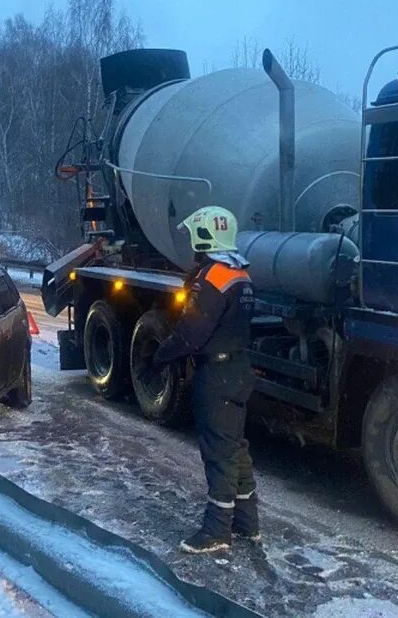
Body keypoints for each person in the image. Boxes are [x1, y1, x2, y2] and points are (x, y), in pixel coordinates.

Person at [147, 206, 258, 554]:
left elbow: (191, 333)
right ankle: (246, 522)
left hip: (217, 376)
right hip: (239, 370)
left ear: (204, 236)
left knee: (219, 452)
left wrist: (159, 357)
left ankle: (216, 531)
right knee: (236, 446)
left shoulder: (212, 278)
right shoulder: (240, 273)